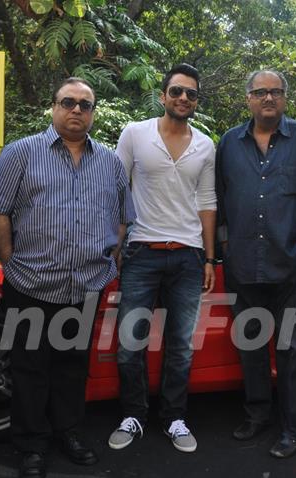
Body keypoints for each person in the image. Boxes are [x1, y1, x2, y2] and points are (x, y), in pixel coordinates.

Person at [0, 77, 134, 478]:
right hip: (30, 283)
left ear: (93, 112)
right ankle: (31, 445)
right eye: (68, 102)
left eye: (85, 105)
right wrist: (8, 260)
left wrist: (109, 258)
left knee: (73, 366)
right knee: (30, 367)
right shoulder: (21, 153)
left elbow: (124, 218)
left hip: (85, 285)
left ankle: (69, 433)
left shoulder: (109, 162)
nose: (76, 110)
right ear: (53, 107)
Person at [215, 69, 296, 458]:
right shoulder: (229, 143)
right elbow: (218, 198)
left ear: (285, 98)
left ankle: (294, 428)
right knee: (250, 346)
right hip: (243, 265)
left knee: (293, 349)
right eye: (261, 92)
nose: (269, 98)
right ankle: (257, 415)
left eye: (276, 92)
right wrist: (226, 243)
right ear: (248, 98)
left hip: (290, 267)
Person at [107, 64, 216, 453]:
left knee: (181, 345)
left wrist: (208, 258)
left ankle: (174, 418)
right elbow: (119, 191)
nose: (183, 98)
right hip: (141, 252)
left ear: (196, 101)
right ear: (163, 95)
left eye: (190, 93)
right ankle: (133, 415)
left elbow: (207, 202)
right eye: (176, 91)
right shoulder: (135, 134)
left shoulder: (205, 145)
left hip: (187, 257)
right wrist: (117, 247)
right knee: (129, 342)